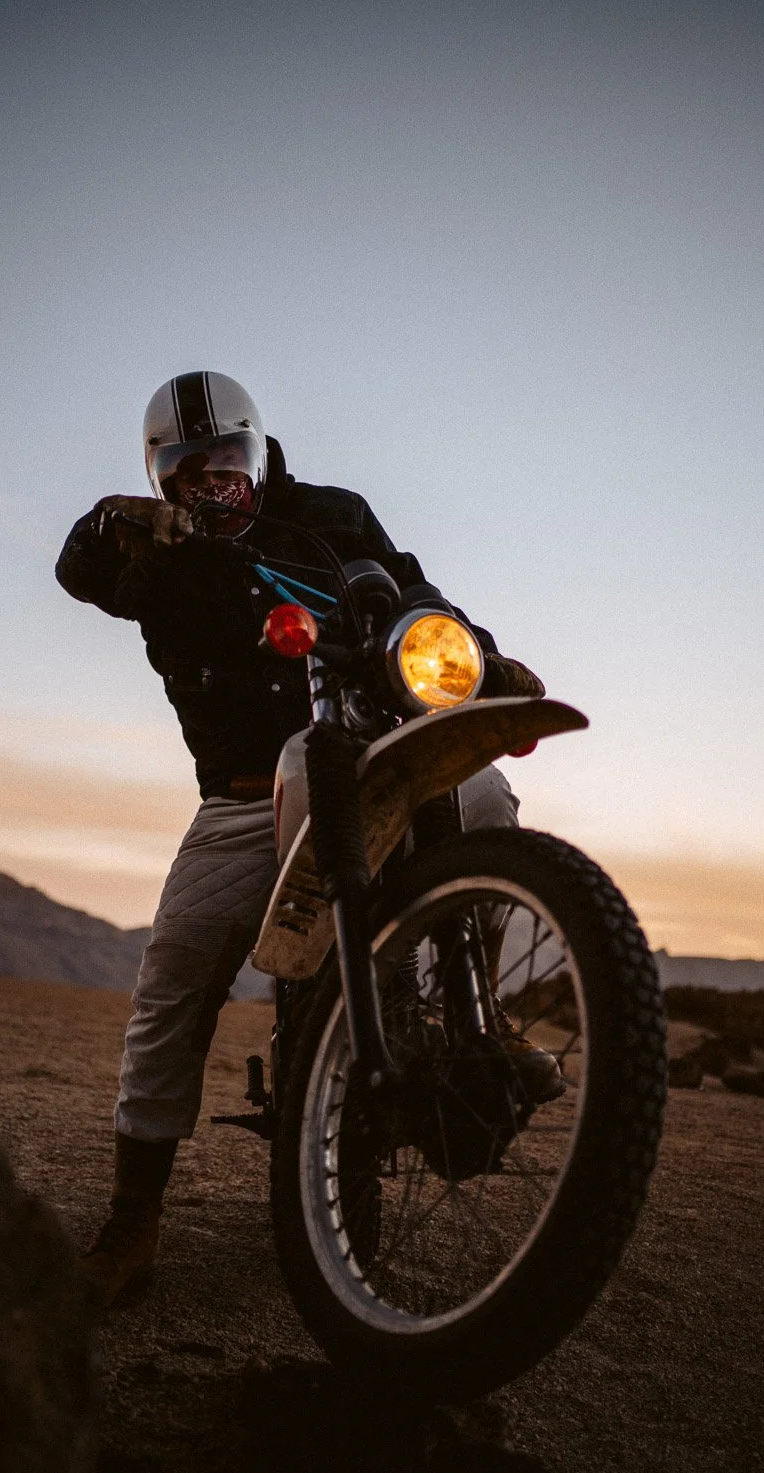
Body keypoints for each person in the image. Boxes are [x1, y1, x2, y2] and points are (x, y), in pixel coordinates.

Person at [55, 370, 558, 1307]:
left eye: (227, 463)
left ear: (257, 451)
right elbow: (80, 574)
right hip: (246, 799)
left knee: (487, 798)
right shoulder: (150, 556)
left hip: (378, 752)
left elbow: (418, 595)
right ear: (161, 476)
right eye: (187, 471)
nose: (213, 485)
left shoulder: (331, 515)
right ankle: (132, 1219)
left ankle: (471, 1014)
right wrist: (111, 522)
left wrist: (484, 655)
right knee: (174, 974)